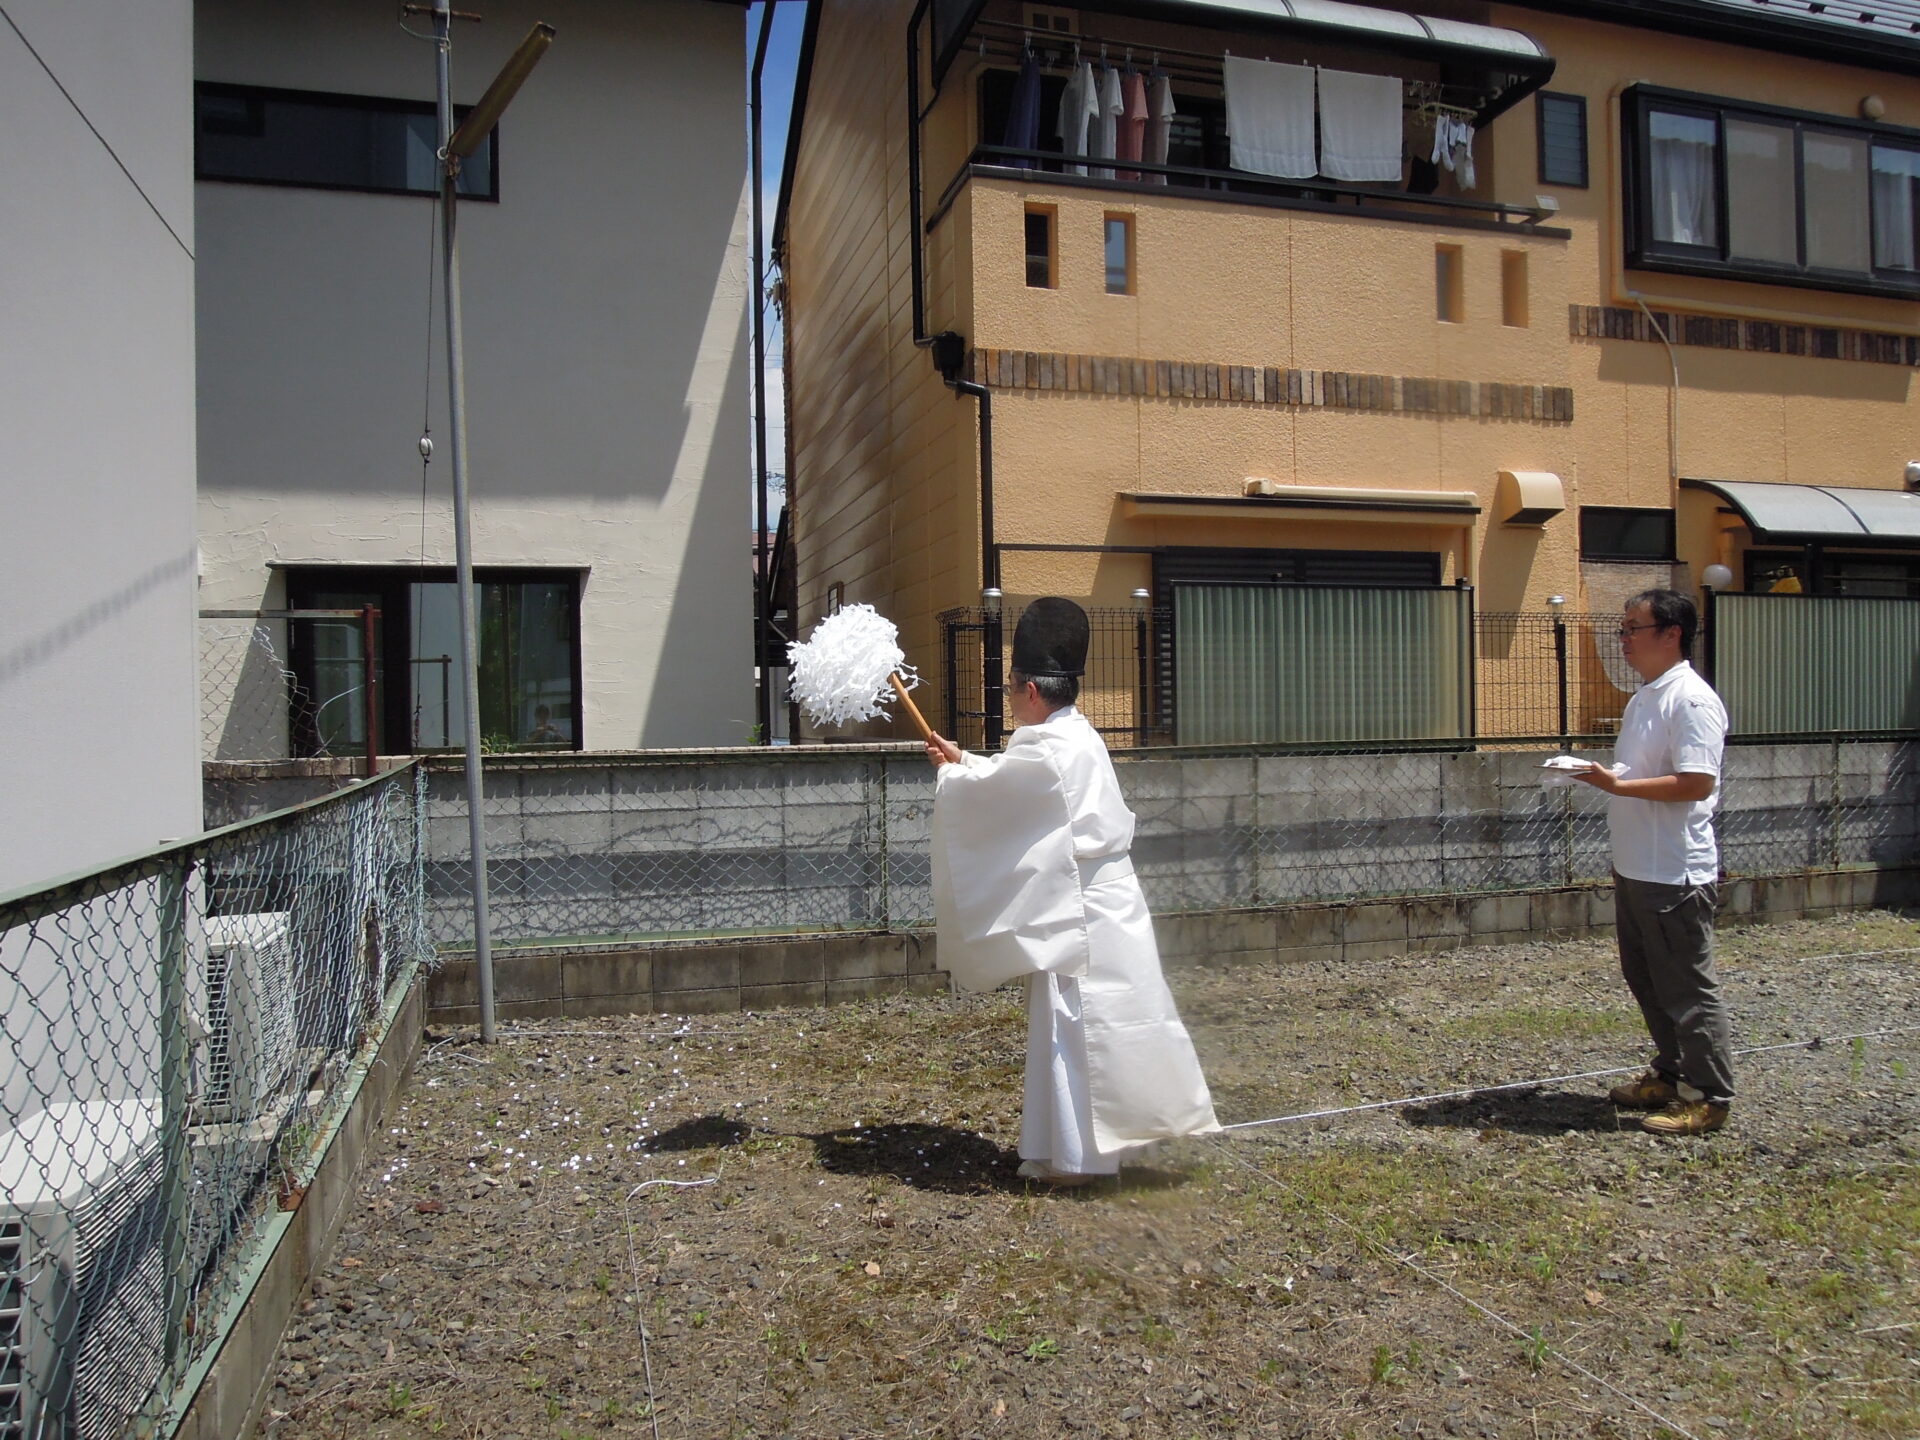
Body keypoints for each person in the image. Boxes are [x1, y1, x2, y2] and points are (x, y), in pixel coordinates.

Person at [925, 597, 1219, 1186]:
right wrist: (965, 762)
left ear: (1031, 690)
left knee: (1076, 1025)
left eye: (1010, 688)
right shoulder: (1077, 736)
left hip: (1080, 907)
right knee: (1114, 1019)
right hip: (1105, 897)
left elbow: (1008, 796)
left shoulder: (1043, 747)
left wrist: (955, 777)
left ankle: (1079, 1160)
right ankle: (1079, 1148)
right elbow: (1022, 788)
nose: (1009, 698)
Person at [1576, 589, 1733, 1137]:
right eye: (1621, 629)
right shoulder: (1645, 697)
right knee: (1646, 977)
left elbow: (1695, 782)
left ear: (1671, 634)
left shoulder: (1690, 700)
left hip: (1673, 872)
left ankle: (1708, 1096)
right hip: (1636, 867)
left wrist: (1617, 784)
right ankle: (1670, 1074)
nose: (1622, 640)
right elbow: (1635, 769)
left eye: (1632, 628)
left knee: (1687, 988)